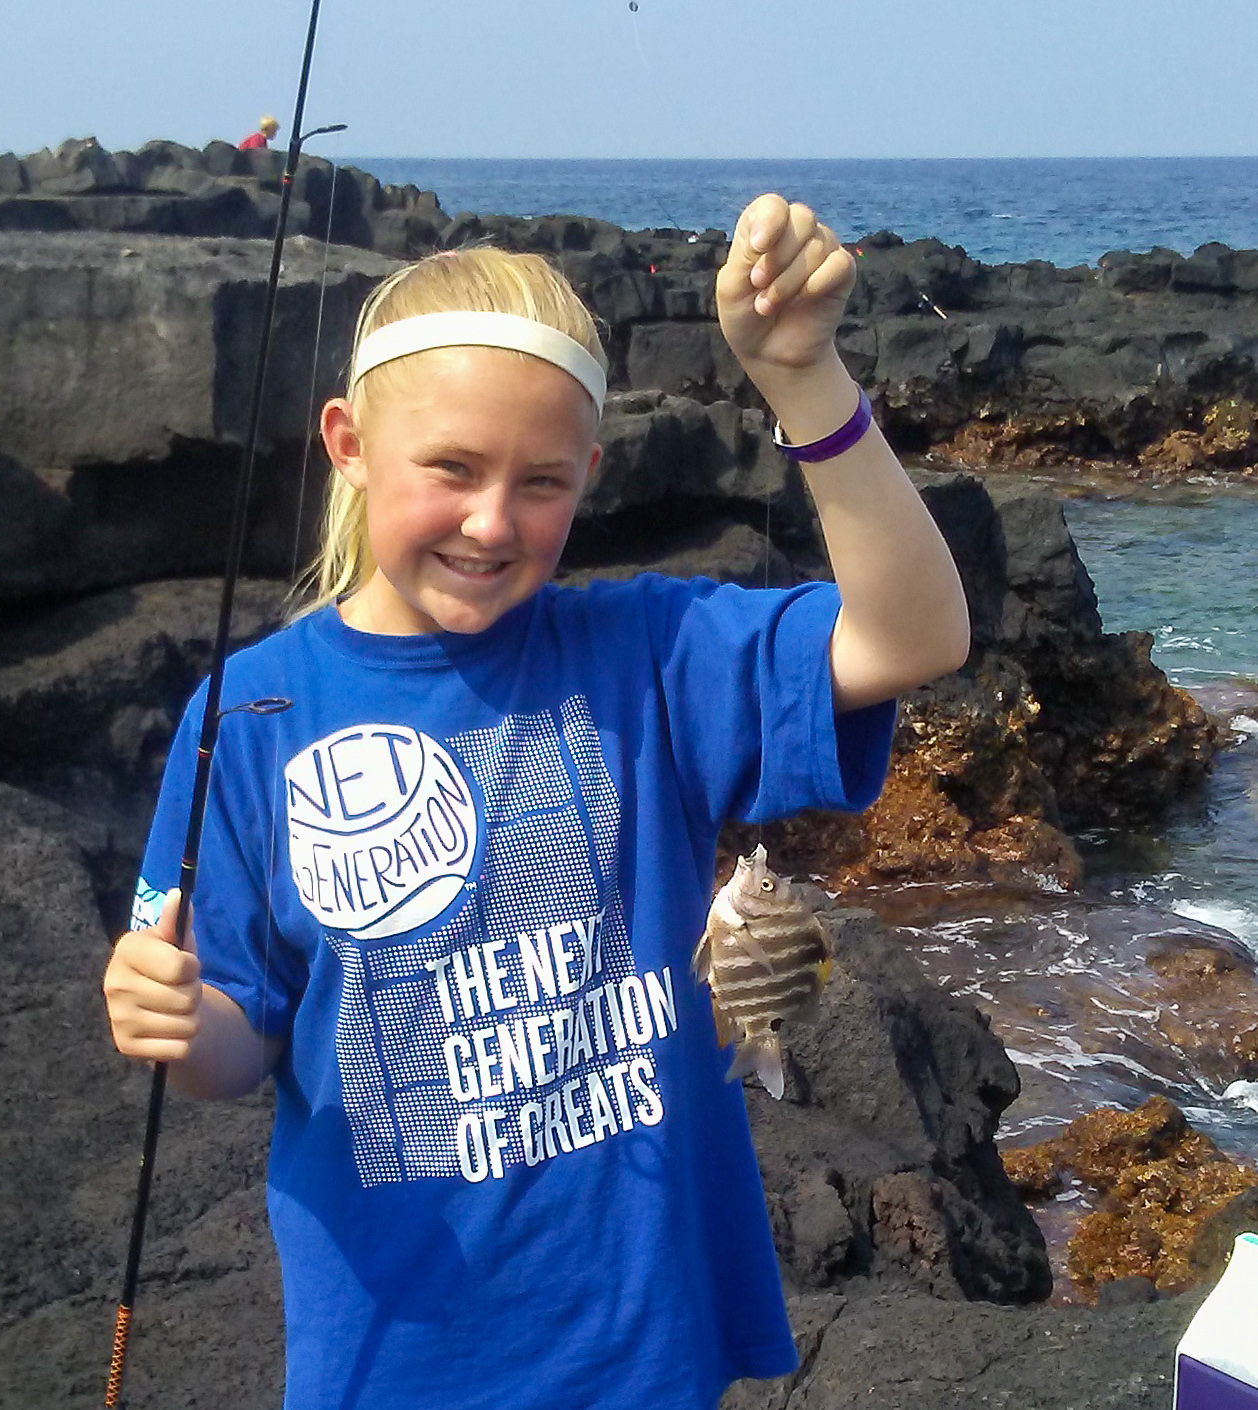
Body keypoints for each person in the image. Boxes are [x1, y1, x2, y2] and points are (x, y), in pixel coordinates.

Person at [103, 195, 971, 1410]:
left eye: (542, 482)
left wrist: (805, 379)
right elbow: (238, 1043)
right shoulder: (247, 717)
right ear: (348, 443)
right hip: (395, 1359)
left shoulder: (647, 654)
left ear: (590, 479)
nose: (492, 521)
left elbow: (916, 635)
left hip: (644, 1347)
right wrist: (178, 1020)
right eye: (451, 468)